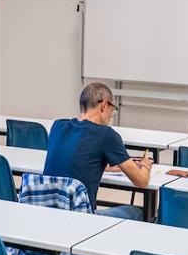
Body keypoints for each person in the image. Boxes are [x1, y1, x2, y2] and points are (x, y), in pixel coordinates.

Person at [42, 82, 154, 218]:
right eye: (112, 109)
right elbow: (141, 182)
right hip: (82, 218)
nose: (111, 114)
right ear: (104, 105)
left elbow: (73, 156)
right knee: (136, 212)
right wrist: (145, 165)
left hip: (47, 213)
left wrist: (102, 165)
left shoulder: (58, 126)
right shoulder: (106, 134)